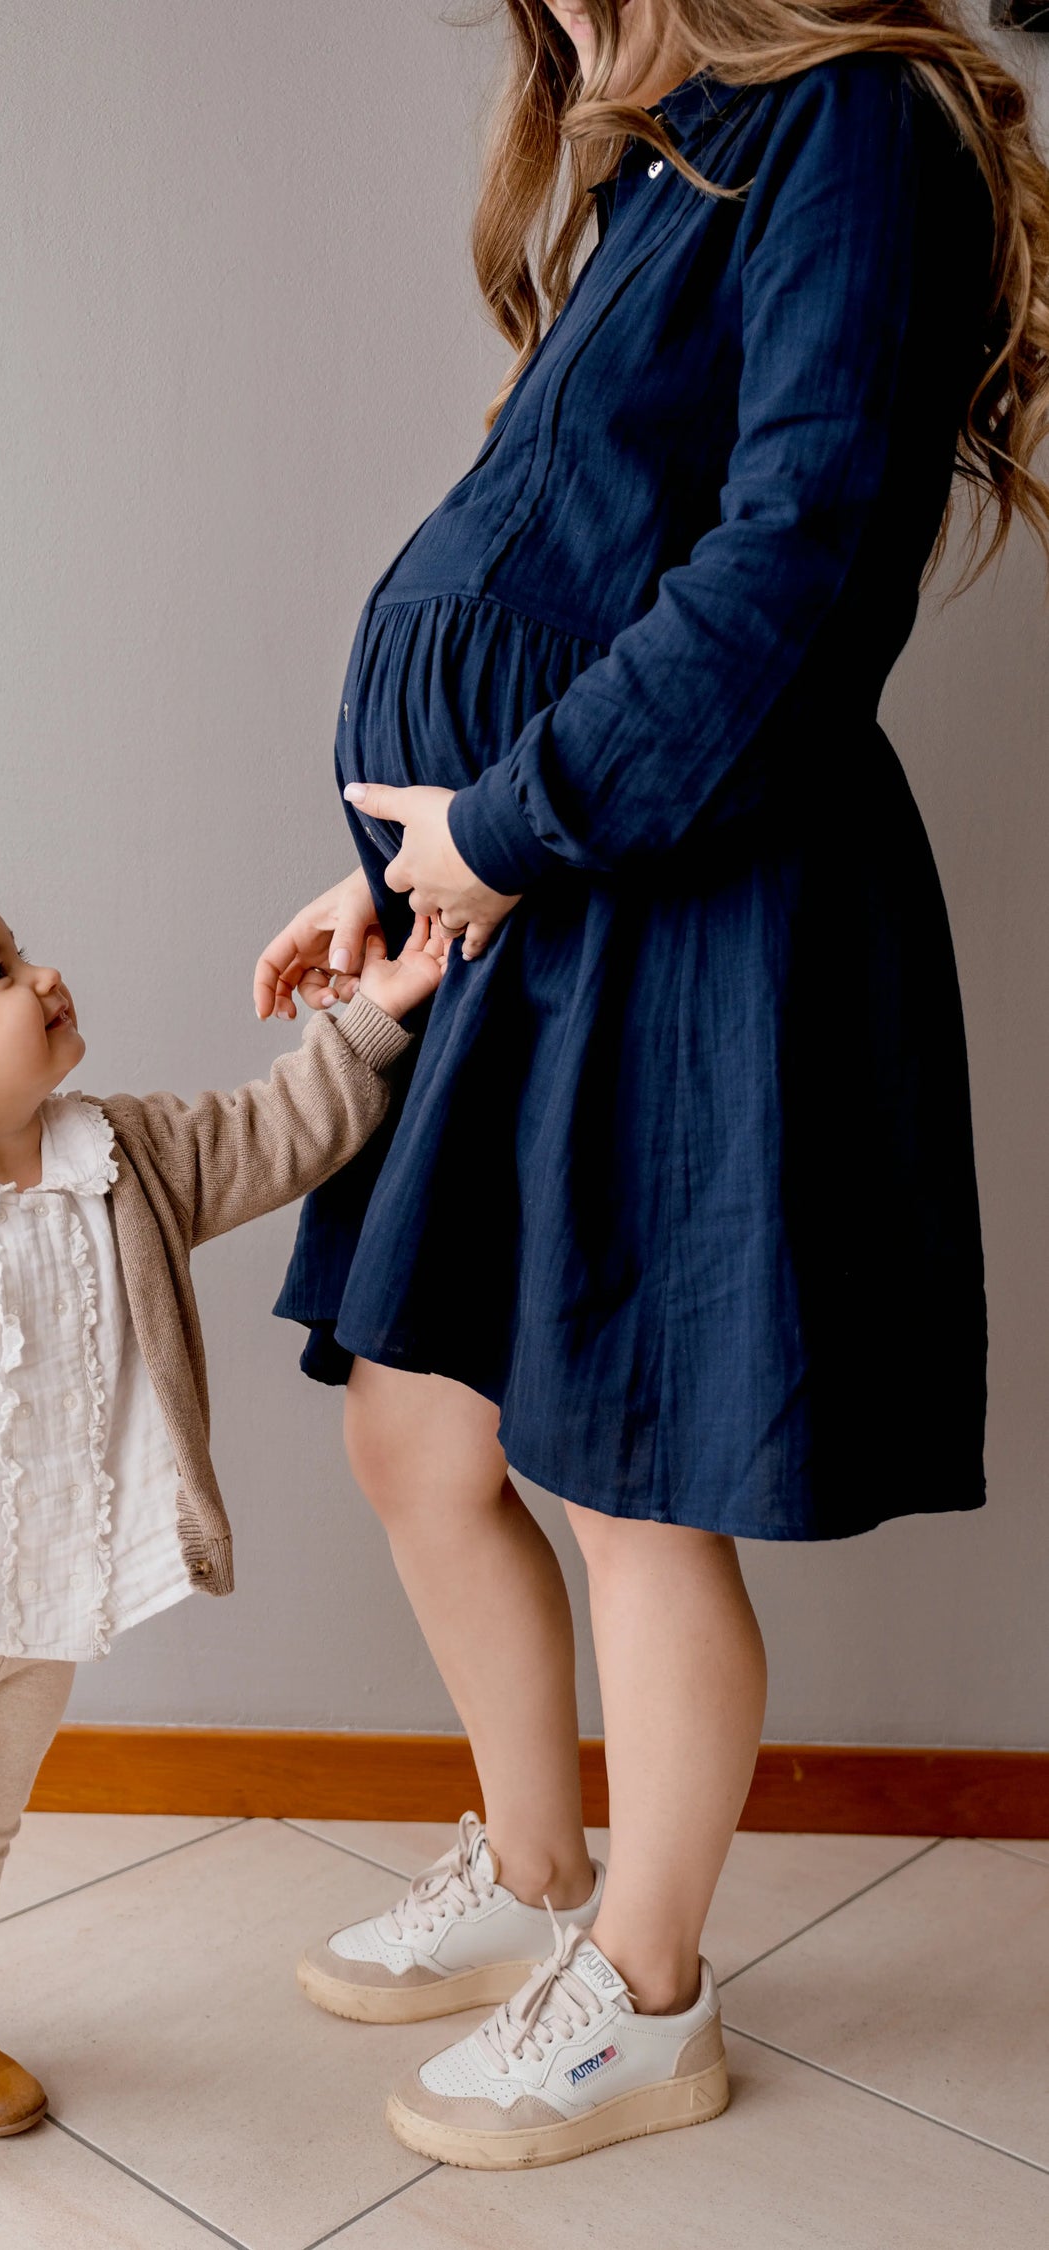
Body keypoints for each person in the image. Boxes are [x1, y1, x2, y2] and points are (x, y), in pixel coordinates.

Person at [255, 0, 1049, 2173]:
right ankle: (527, 1873)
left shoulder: (853, 129)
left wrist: (504, 829)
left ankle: (651, 1985)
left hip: (693, 892)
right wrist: (403, 880)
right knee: (422, 1427)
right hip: (533, 890)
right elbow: (555, 567)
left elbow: (794, 565)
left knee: (627, 1473)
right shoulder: (655, 157)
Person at [0, 877, 440, 2209]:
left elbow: (276, 1132)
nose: (43, 973)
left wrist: (373, 1024)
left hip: (43, 1593)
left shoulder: (121, 1158)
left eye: (19, 953)